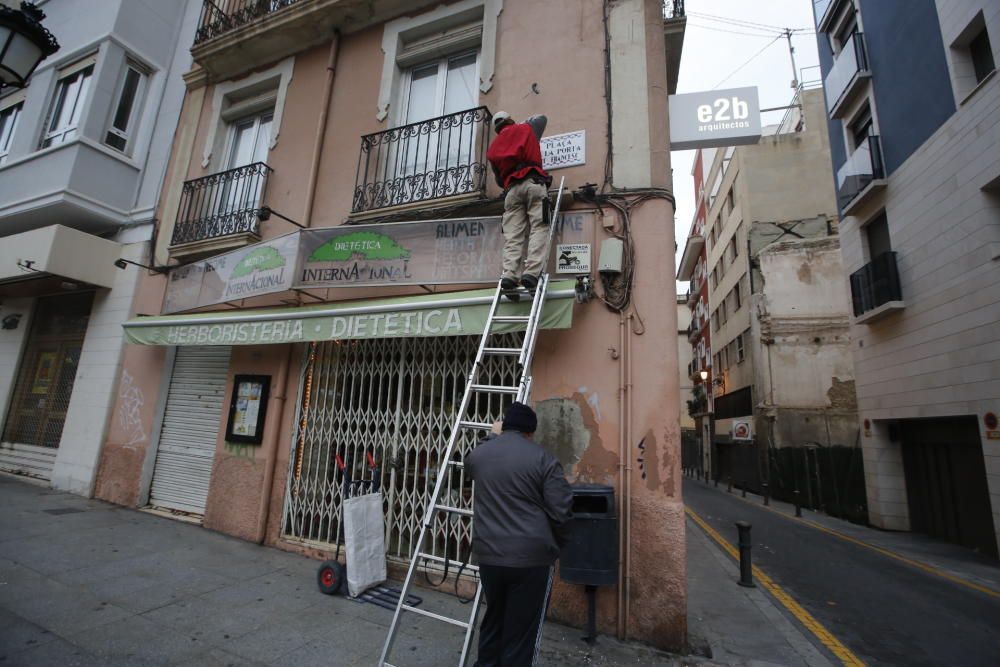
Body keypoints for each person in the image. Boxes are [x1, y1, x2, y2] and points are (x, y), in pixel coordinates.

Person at [465, 402, 573, 667]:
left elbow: (470, 465)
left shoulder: (480, 454)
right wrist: (556, 546)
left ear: (506, 427)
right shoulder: (543, 459)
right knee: (521, 633)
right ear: (530, 432)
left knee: (494, 620)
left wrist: (492, 436)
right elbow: (562, 512)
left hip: (489, 557)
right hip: (530, 560)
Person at [486, 111, 553, 299]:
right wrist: (517, 125)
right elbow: (542, 118)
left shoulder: (492, 149)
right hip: (532, 183)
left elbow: (499, 180)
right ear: (509, 119)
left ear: (496, 129)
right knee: (539, 227)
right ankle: (531, 273)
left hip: (512, 192)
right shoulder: (526, 129)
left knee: (513, 236)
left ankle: (509, 276)